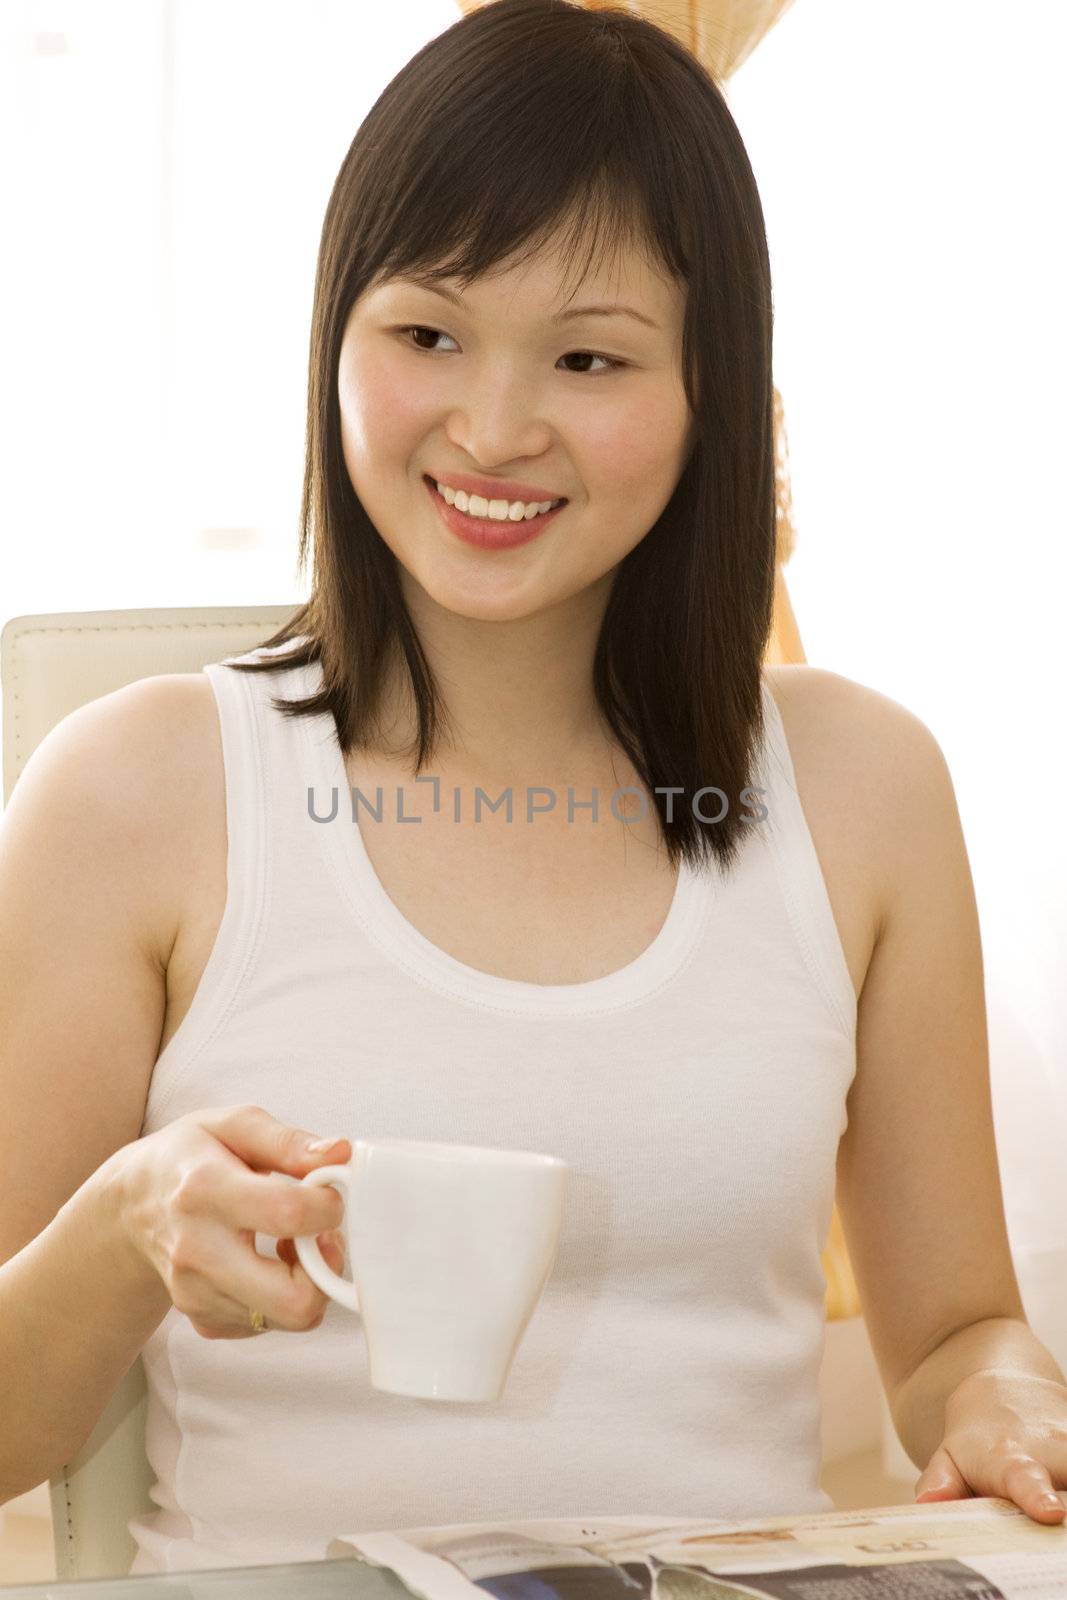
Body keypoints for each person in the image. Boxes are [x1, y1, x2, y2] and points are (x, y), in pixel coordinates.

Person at [2, 0, 1065, 1577]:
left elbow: (957, 1334)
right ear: (335, 335)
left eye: (589, 358)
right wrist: (129, 1224)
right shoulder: (136, 790)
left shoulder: (865, 786)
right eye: (426, 333)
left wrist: (1004, 1406)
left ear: (715, 387)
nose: (493, 429)